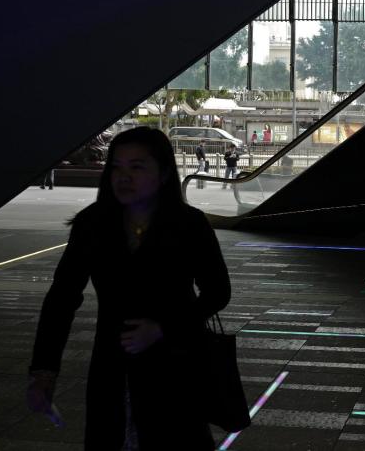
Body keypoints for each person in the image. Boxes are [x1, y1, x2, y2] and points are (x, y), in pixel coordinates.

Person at [26, 127, 231, 449]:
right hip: (112, 365)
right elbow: (62, 298)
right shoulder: (92, 224)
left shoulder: (188, 224)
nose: (123, 176)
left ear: (163, 173)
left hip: (173, 366)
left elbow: (218, 291)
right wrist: (44, 372)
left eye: (137, 167)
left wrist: (164, 328)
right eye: (116, 167)